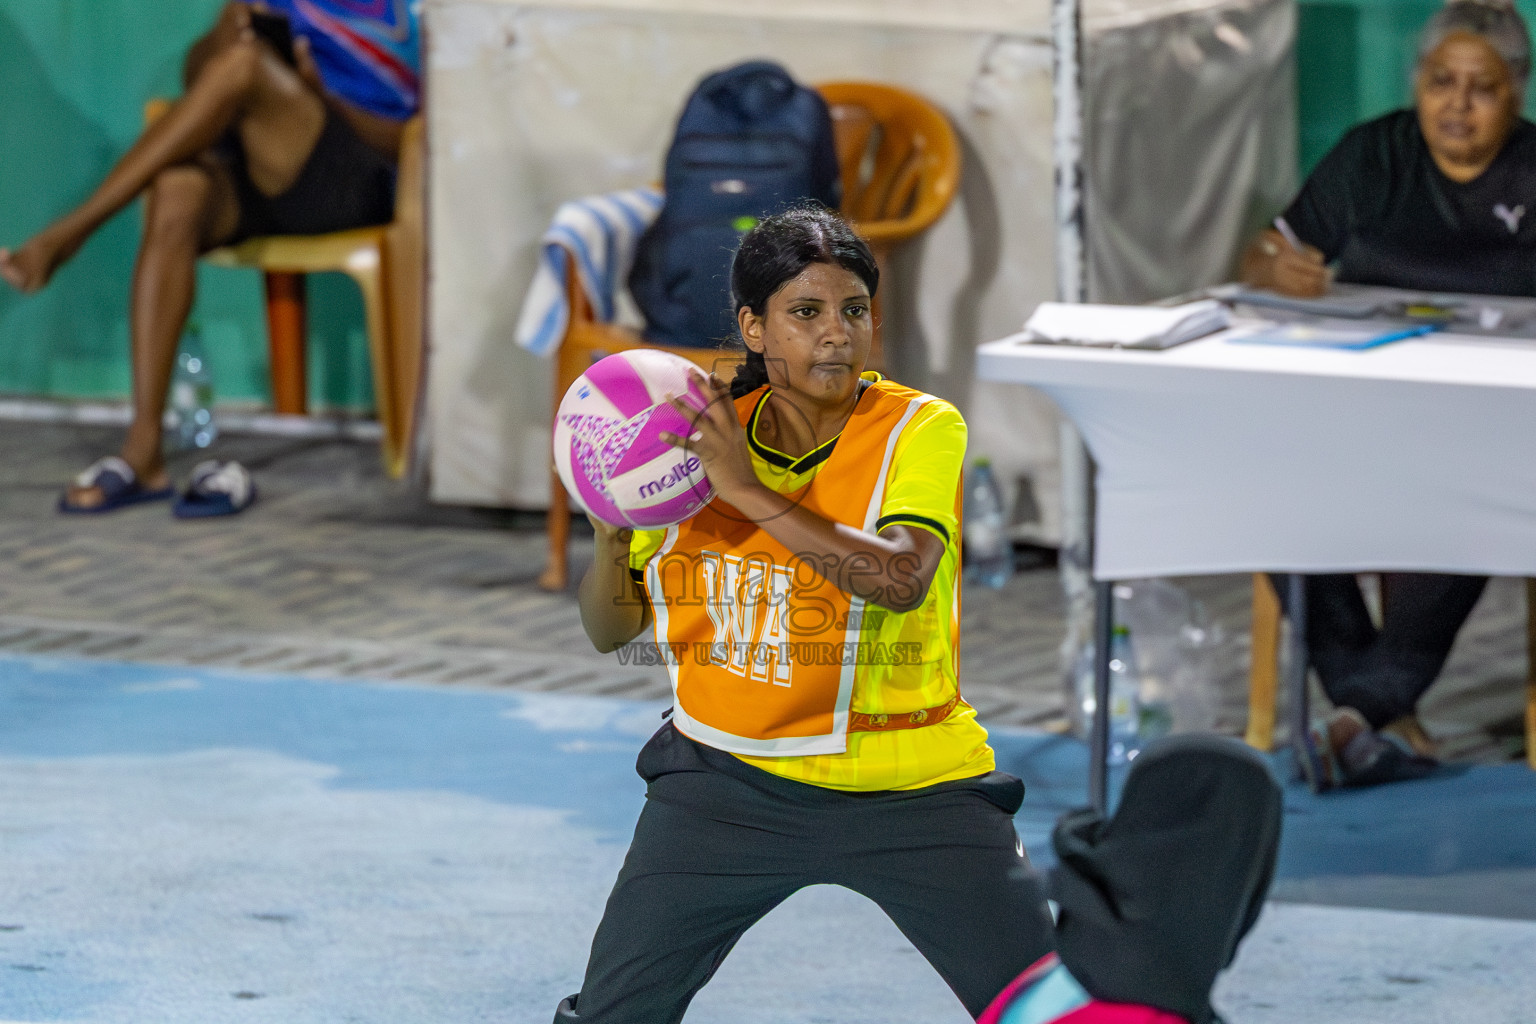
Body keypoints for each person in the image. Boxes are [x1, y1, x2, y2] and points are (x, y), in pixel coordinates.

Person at [560, 206, 1281, 1024]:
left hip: (912, 790)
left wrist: (747, 492)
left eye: (854, 310)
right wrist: (612, 541)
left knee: (1059, 1013)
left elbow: (899, 578)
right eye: (806, 313)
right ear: (753, 326)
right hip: (722, 785)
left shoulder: (917, 428)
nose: (836, 333)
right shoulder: (687, 440)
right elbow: (610, 633)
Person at [1239, 0, 1535, 783]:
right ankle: (1370, 710)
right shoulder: (1373, 155)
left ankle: (1358, 712)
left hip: (1489, 421)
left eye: (1483, 87)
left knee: (1476, 488)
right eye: (1442, 82)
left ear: (1518, 92)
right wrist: (1278, 267)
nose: (1458, 105)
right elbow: (1270, 250)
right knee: (1260, 485)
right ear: (1418, 86)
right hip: (1357, 409)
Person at [0, 1, 419, 513]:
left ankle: (70, 232)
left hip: (358, 181)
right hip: (261, 172)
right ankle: (143, 451)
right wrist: (231, 27)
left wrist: (320, 90)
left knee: (245, 66)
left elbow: (414, 140)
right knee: (178, 189)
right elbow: (200, 79)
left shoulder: (414, 12)